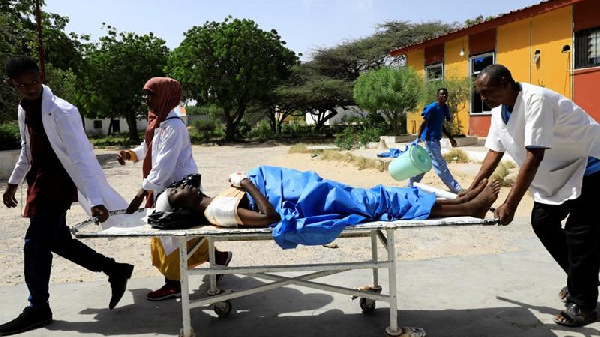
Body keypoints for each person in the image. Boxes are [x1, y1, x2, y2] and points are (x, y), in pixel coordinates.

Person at [0, 55, 134, 335]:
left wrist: (96, 199)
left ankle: (38, 308)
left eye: (35, 81)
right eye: (23, 85)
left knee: (34, 246)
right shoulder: (24, 108)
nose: (31, 88)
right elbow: (27, 148)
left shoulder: (61, 111)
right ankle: (115, 269)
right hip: (39, 180)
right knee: (58, 241)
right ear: (12, 85)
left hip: (58, 183)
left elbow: (81, 157)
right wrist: (14, 182)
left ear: (41, 76)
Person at [467, 64, 600, 327]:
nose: (483, 98)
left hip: (592, 165)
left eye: (487, 92)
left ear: (506, 83)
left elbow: (534, 155)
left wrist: (510, 205)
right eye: (480, 94)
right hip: (560, 174)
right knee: (542, 222)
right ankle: (581, 278)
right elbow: (494, 152)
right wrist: (472, 190)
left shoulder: (536, 100)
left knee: (579, 234)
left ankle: (584, 304)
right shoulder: (499, 112)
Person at [155, 166, 500, 249]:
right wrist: (247, 183)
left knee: (384, 196)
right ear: (180, 210)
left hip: (314, 191)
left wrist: (246, 182)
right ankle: (466, 208)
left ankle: (461, 201)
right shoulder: (216, 212)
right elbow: (269, 216)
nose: (178, 186)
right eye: (174, 193)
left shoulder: (214, 199)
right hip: (311, 205)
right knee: (384, 202)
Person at [116, 77, 231, 301]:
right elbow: (148, 148)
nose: (147, 99)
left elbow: (164, 167)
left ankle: (173, 284)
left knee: (168, 235)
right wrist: (130, 155)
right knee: (186, 235)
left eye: (152, 94)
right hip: (164, 188)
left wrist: (141, 193)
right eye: (146, 94)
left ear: (166, 96)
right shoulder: (158, 122)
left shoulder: (174, 126)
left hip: (177, 189)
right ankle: (219, 257)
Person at [409, 88, 463, 194]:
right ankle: (456, 188)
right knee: (440, 164)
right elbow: (423, 123)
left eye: (446, 95)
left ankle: (410, 185)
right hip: (430, 140)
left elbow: (441, 126)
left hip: (436, 140)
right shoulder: (432, 108)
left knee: (425, 164)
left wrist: (451, 138)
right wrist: (418, 138)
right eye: (442, 95)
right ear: (437, 96)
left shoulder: (444, 108)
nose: (444, 97)